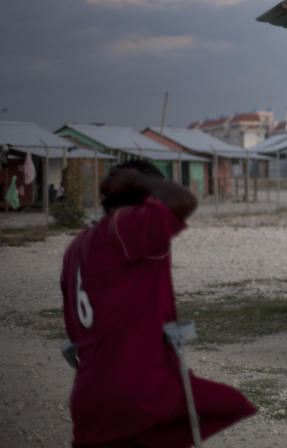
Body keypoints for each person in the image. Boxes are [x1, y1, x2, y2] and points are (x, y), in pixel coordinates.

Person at [60, 160, 256, 447]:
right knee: (232, 404)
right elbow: (183, 201)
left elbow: (75, 330)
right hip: (141, 390)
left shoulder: (77, 247)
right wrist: (138, 181)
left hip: (90, 397)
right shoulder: (127, 230)